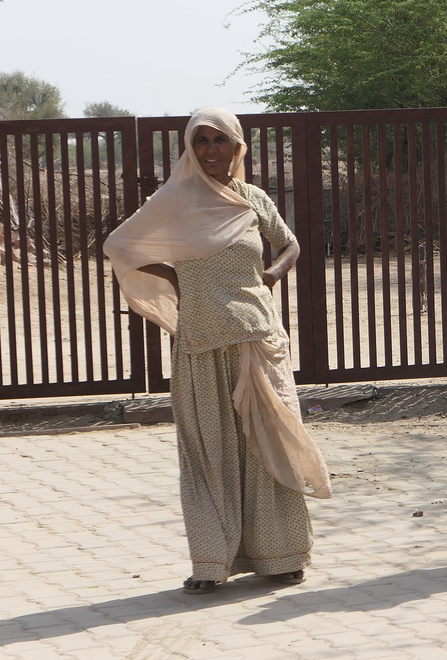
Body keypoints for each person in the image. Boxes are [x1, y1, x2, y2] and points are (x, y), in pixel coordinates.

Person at [104, 107, 330, 595]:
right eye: (200, 140)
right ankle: (211, 562)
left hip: (256, 342)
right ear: (190, 148)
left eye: (219, 140)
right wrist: (174, 279)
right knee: (210, 456)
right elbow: (122, 245)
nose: (209, 149)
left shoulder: (253, 200)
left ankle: (282, 555)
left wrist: (270, 277)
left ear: (237, 146)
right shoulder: (174, 202)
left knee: (267, 445)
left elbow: (289, 245)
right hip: (200, 346)